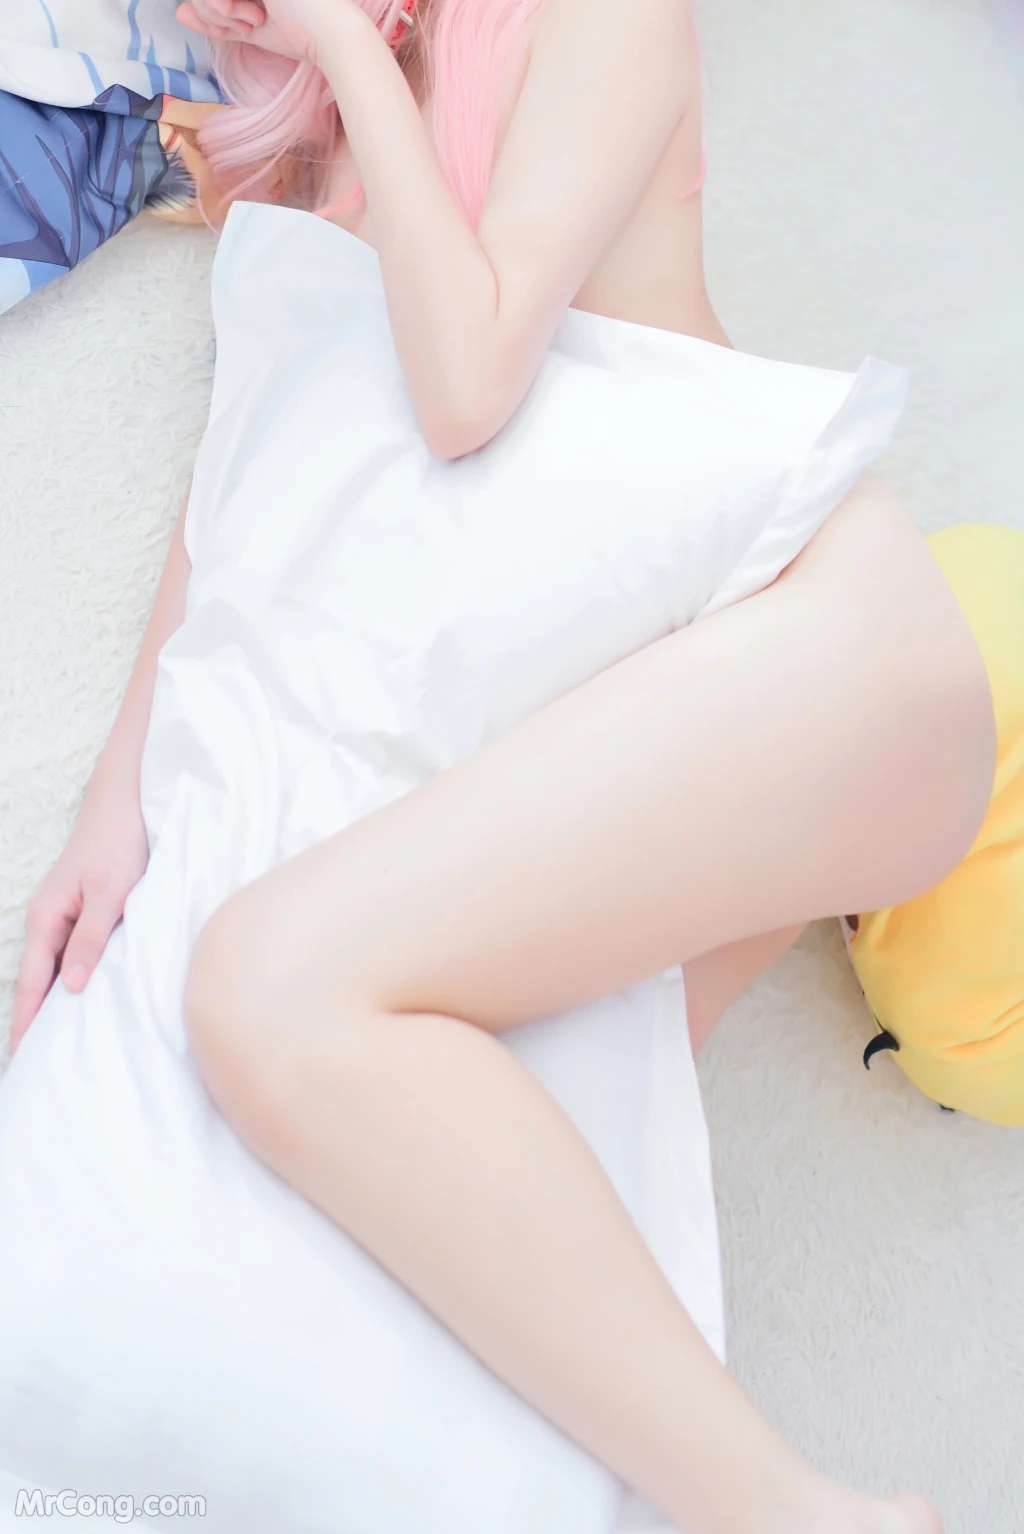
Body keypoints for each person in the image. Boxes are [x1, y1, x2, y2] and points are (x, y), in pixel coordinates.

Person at [7, 1, 995, 1531]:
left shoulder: (599, 21)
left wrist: (346, 54)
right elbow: (258, 461)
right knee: (420, 1228)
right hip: (659, 708)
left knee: (270, 987)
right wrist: (114, 795)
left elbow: (467, 386)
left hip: (824, 658)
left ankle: (806, 1516)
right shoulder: (320, 122)